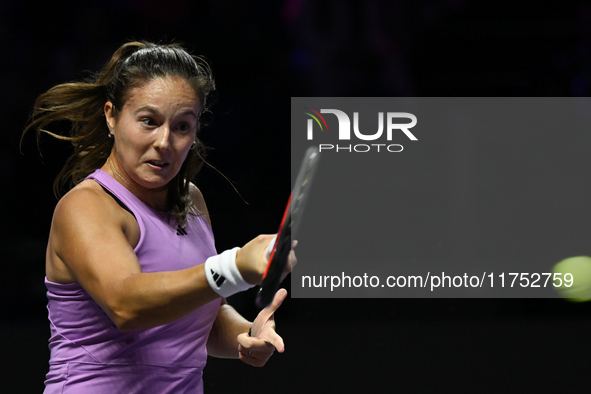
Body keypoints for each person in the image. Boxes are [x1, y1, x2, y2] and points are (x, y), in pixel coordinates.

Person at [23, 41, 292, 393]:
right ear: (111, 115)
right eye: (148, 121)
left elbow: (199, 315)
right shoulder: (86, 206)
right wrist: (234, 267)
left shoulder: (191, 200)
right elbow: (127, 305)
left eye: (182, 126)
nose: (165, 141)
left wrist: (248, 334)